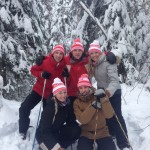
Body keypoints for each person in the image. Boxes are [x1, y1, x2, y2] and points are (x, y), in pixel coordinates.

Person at [88, 41, 130, 150]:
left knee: (116, 116)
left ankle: (124, 143)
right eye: (91, 53)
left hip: (113, 92)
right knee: (107, 116)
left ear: (100, 52)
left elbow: (115, 81)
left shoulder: (108, 61)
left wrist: (107, 93)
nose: (94, 55)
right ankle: (112, 134)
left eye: (96, 52)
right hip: (102, 91)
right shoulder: (94, 64)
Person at [19, 45, 66, 140]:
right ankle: (23, 130)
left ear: (63, 55)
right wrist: (41, 74)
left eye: (61, 53)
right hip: (39, 90)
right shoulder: (45, 62)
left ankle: (41, 134)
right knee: (24, 107)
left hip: (50, 95)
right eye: (56, 52)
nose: (58, 55)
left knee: (46, 116)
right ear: (53, 53)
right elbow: (33, 70)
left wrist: (67, 75)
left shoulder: (64, 66)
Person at [74, 74, 116, 150]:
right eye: (81, 88)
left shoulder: (98, 96)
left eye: (85, 87)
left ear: (89, 87)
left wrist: (103, 99)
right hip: (86, 133)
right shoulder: (77, 102)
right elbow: (82, 120)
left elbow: (109, 115)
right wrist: (93, 107)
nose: (83, 90)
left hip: (103, 132)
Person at [36, 78, 81, 150]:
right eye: (60, 93)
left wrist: (78, 124)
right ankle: (47, 146)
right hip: (43, 135)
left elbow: (71, 121)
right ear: (55, 94)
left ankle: (61, 146)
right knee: (51, 146)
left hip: (57, 131)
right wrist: (56, 147)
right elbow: (44, 131)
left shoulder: (66, 104)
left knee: (76, 130)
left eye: (64, 92)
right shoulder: (50, 108)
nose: (63, 95)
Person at [65, 38, 89, 106]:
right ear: (71, 52)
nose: (77, 52)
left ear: (82, 51)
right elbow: (55, 56)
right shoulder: (67, 60)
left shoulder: (87, 60)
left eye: (79, 50)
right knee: (71, 115)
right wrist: (43, 57)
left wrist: (109, 54)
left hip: (84, 92)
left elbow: (97, 55)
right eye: (75, 50)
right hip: (71, 93)